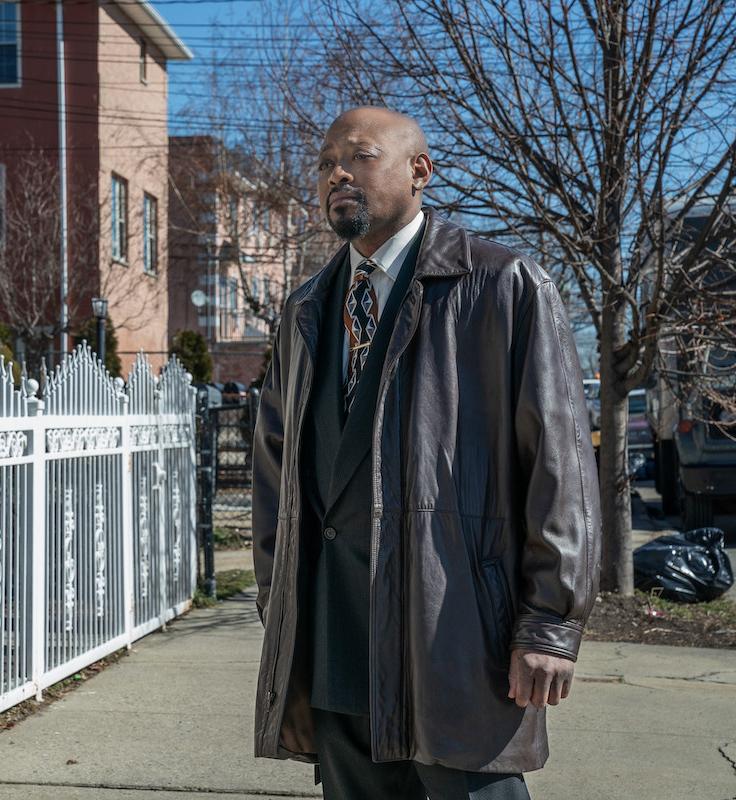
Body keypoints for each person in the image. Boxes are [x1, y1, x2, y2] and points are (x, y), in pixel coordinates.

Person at [251, 106, 601, 800]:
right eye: (325, 164)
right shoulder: (306, 310)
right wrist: (280, 598)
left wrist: (551, 623)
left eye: (360, 156)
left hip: (459, 646)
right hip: (335, 645)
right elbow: (274, 471)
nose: (337, 174)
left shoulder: (502, 287)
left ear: (420, 172)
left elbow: (560, 468)